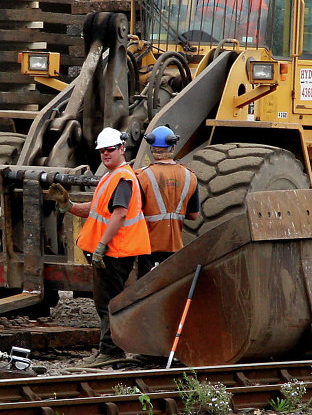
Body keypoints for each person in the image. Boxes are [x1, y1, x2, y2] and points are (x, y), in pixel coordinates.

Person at [47, 127, 150, 366]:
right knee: (105, 302)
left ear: (122, 149)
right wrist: (69, 205)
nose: (106, 154)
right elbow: (97, 210)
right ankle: (109, 348)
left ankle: (111, 351)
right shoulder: (111, 176)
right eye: (102, 150)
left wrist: (102, 246)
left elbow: (120, 214)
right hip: (111, 252)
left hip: (115, 252)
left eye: (110, 149)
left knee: (108, 303)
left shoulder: (123, 178)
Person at [135, 126, 200, 278]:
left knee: (146, 290)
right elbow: (193, 215)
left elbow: (133, 212)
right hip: (175, 247)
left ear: (152, 148)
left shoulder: (142, 176)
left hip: (148, 247)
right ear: (173, 146)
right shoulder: (190, 177)